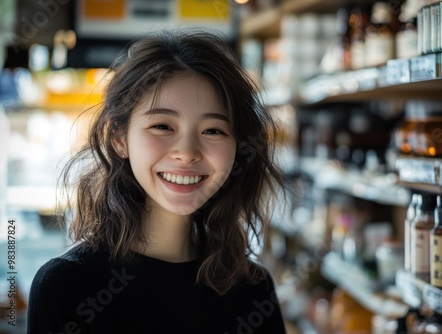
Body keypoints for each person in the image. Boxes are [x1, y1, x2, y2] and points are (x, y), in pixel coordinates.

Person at [28, 29, 287, 333]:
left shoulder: (253, 289)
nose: (187, 153)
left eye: (213, 130)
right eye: (162, 126)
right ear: (119, 138)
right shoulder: (66, 287)